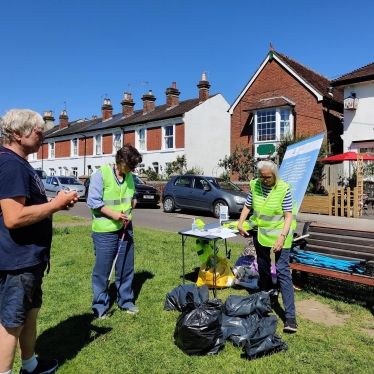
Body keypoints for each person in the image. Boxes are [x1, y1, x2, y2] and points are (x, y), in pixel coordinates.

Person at [0, 109, 79, 374]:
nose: (43, 135)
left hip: (30, 259)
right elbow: (13, 217)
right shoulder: (11, 164)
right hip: (17, 261)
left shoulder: (20, 163)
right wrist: (55, 203)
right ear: (17, 134)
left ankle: (30, 365)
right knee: (11, 322)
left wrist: (56, 205)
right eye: (38, 131)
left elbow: (29, 206)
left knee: (29, 314)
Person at [237, 160, 298, 333]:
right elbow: (248, 206)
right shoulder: (255, 185)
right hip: (262, 234)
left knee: (282, 271)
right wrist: (240, 223)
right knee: (263, 269)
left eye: (268, 177)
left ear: (275, 175)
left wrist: (282, 237)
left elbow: (288, 216)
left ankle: (290, 317)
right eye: (261, 177)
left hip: (281, 235)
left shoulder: (283, 188)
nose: (264, 180)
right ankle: (263, 302)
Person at [86, 144, 142, 319]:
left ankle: (125, 301)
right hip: (105, 231)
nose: (134, 169)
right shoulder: (100, 175)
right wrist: (115, 215)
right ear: (121, 161)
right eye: (131, 165)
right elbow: (93, 202)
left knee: (126, 266)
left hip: (125, 227)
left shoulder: (129, 176)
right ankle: (100, 306)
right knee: (103, 270)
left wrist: (133, 203)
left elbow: (132, 197)